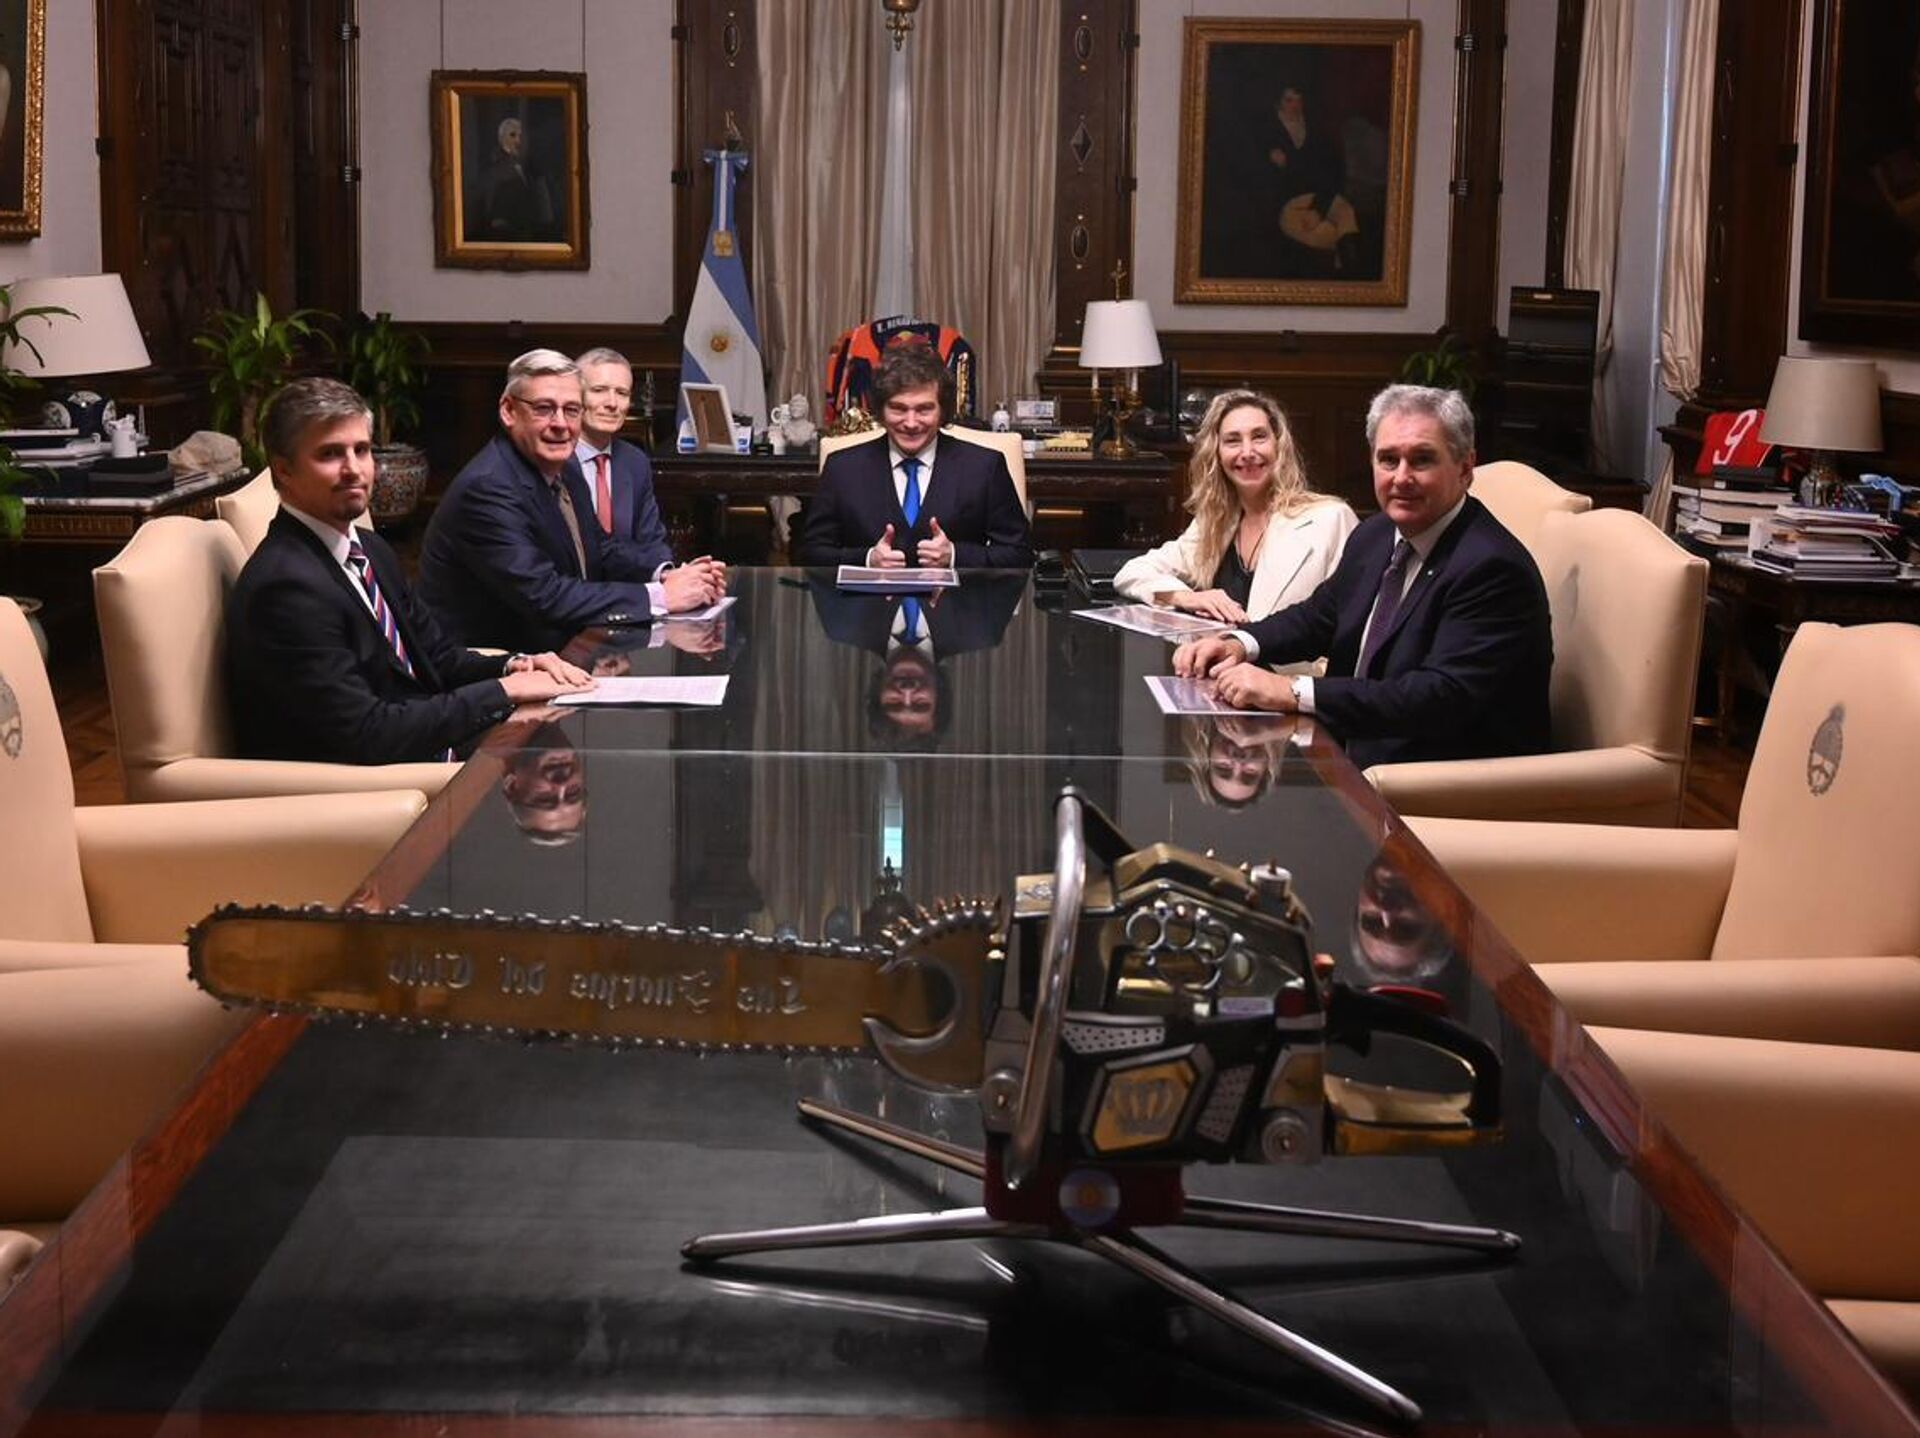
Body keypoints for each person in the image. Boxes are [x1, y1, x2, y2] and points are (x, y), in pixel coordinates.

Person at [1173, 384, 1552, 769]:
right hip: (1351, 751)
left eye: (1422, 460)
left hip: (1435, 778)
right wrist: (1239, 643)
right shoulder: (1376, 534)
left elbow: (1438, 697)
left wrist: (1292, 691)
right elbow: (1318, 617)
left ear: (1465, 468)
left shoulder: (1492, 567)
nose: (1401, 477)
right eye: (1388, 460)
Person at [226, 378, 594, 766]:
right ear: (284, 470)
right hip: (370, 782)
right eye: (330, 454)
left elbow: (437, 658)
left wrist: (515, 665)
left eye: (361, 450)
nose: (354, 469)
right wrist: (504, 691)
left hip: (421, 744)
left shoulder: (370, 549)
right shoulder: (286, 588)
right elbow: (367, 734)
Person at [420, 350, 726, 652]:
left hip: (559, 651)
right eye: (544, 408)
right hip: (486, 665)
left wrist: (667, 576)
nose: (561, 424)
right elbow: (545, 595)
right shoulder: (487, 487)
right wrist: (659, 597)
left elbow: (601, 549)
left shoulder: (565, 469)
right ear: (509, 411)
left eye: (571, 410)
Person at [1114, 389, 1356, 632]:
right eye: (1233, 440)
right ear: (1216, 454)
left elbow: (1355, 625)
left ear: (1279, 445)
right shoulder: (1215, 522)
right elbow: (1132, 573)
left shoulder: (1331, 519)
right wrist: (1188, 597)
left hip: (1289, 658)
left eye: (1259, 437)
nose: (1247, 452)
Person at [797, 343, 1033, 570]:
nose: (911, 423)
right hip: (868, 598)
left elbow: (1019, 554)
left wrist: (956, 556)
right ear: (881, 410)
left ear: (942, 411)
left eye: (924, 409)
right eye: (898, 409)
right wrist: (867, 559)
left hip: (958, 598)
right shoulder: (842, 468)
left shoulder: (984, 467)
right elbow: (811, 553)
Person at [573, 345, 675, 568]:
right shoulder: (554, 457)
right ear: (575, 396)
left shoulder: (635, 462)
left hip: (630, 585)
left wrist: (668, 573)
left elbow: (651, 541)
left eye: (622, 393)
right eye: (599, 390)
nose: (612, 403)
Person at [476, 116, 554, 242]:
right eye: (512, 135)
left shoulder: (530, 167)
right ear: (502, 139)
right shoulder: (495, 170)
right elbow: (491, 212)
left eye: (521, 136)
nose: (518, 141)